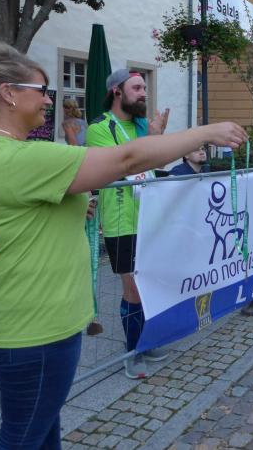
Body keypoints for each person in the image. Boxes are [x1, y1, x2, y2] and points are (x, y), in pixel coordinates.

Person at [0, 39, 247, 449]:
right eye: (42, 90)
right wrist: (207, 132)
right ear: (8, 93)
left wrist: (72, 210)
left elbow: (17, 217)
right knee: (22, 439)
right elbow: (126, 160)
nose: (49, 101)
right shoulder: (21, 158)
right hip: (36, 330)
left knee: (42, 434)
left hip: (14, 320)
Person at [86, 69, 172, 379]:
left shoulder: (141, 126)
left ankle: (146, 341)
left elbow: (158, 164)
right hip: (121, 220)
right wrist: (153, 140)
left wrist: (156, 140)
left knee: (149, 283)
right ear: (117, 92)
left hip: (150, 216)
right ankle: (133, 352)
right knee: (132, 287)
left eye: (144, 87)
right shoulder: (99, 127)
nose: (144, 93)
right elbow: (122, 165)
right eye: (136, 87)